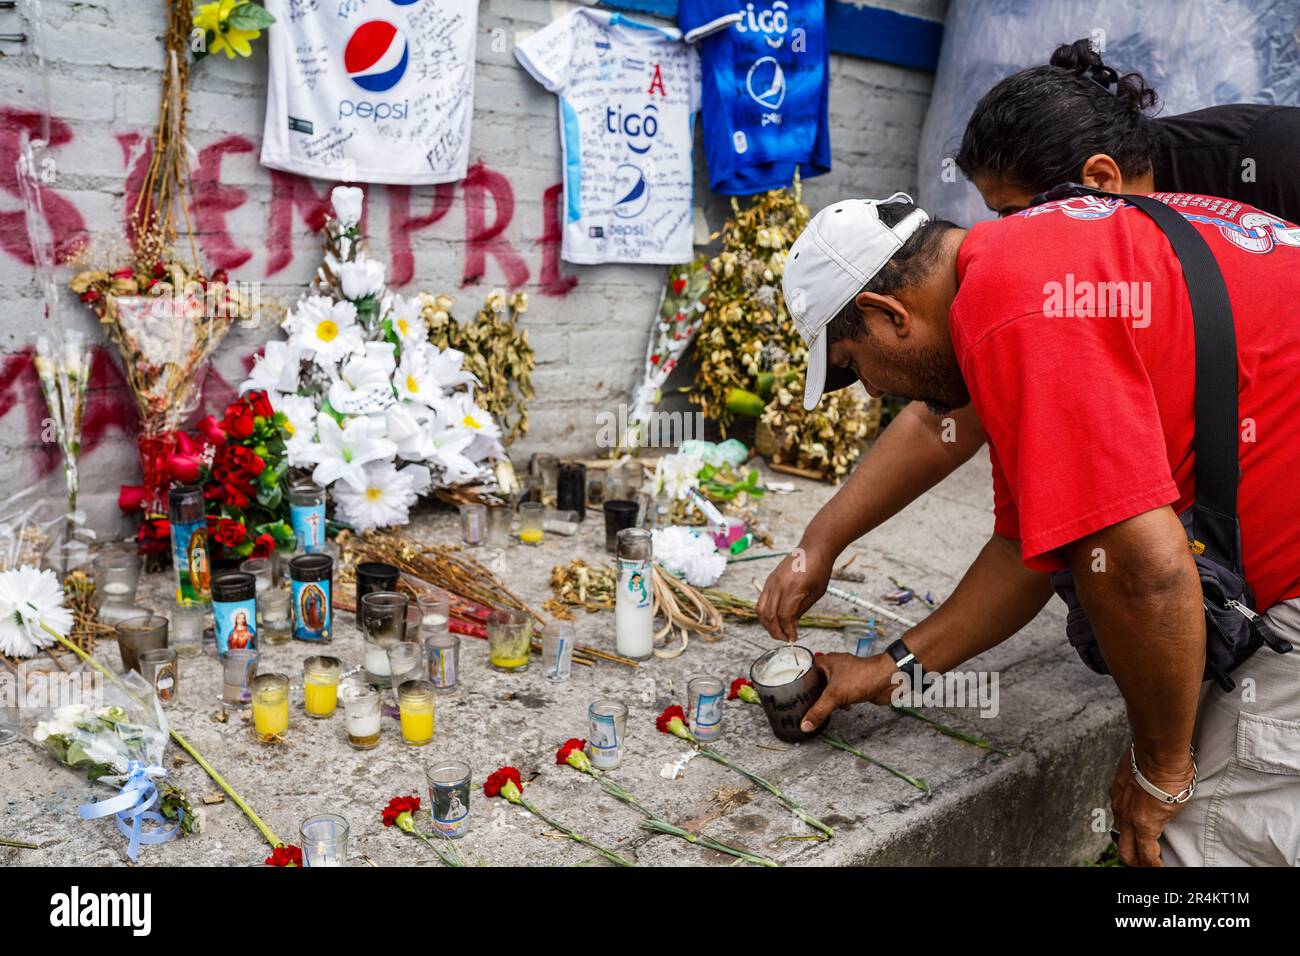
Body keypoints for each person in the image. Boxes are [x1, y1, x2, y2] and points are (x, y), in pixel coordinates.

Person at [761, 191, 1300, 866]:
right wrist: (887, 669)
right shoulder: (1027, 260)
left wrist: (1160, 770)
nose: (871, 390)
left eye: (852, 365)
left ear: (886, 313)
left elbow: (1144, 570)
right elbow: (1028, 550)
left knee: (1197, 844)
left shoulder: (1013, 311)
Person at [760, 41, 1300, 627]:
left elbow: (1144, 561)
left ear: (1101, 181)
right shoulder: (1065, 268)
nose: (1010, 243)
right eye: (997, 220)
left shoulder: (1264, 168)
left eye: (1017, 216)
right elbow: (956, 416)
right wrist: (821, 540)